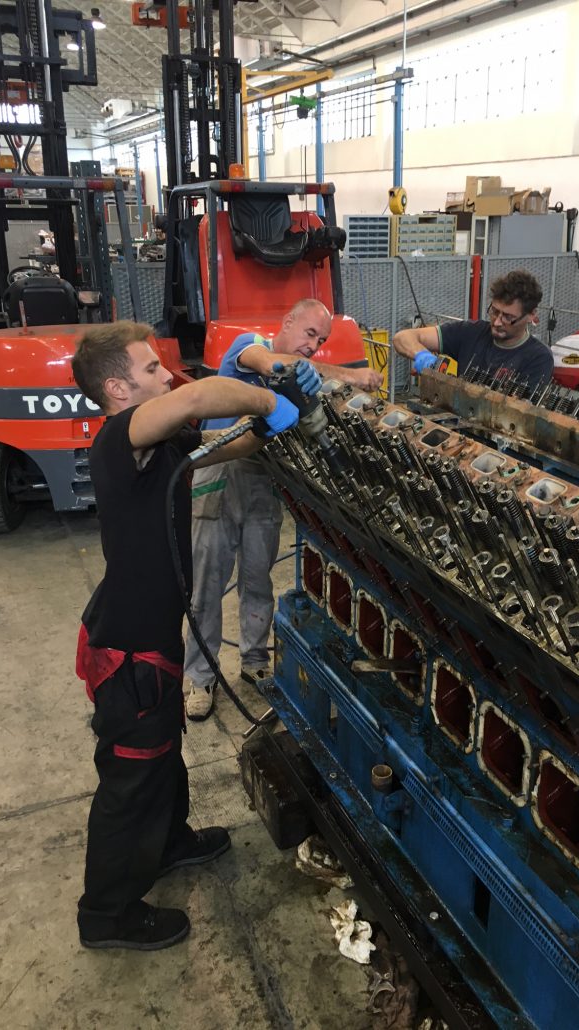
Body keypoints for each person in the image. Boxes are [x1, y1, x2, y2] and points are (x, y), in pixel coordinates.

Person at [71, 320, 299, 951]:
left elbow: (224, 446)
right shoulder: (119, 438)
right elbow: (199, 395)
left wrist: (275, 422)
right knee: (131, 777)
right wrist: (265, 397)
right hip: (129, 648)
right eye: (150, 369)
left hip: (154, 637)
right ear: (118, 389)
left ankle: (168, 842)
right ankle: (107, 915)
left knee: (163, 750)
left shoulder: (162, 443)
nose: (166, 376)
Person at [184, 298, 383, 719]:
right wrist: (352, 374)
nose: (313, 345)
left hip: (262, 478)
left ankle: (255, 659)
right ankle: (200, 677)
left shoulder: (302, 378)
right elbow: (271, 363)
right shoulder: (249, 346)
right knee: (207, 583)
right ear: (288, 322)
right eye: (309, 333)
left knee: (258, 576)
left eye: (321, 340)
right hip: (219, 473)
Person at [392, 268, 553, 386]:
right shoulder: (470, 332)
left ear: (531, 315)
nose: (497, 322)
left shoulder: (538, 357)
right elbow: (402, 338)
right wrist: (423, 357)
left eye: (508, 317)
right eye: (494, 312)